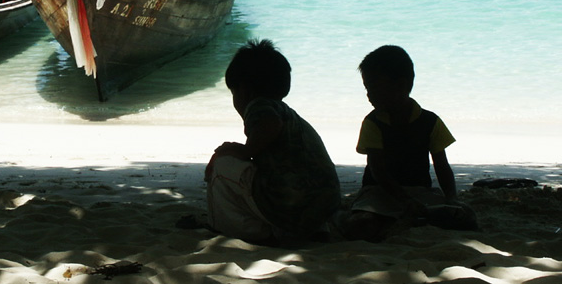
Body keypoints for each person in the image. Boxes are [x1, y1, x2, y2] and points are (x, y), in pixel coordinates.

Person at [204, 39, 341, 245]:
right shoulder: (290, 115)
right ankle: (313, 230)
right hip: (322, 207)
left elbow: (270, 123)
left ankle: (240, 230)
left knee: (222, 166)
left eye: (234, 93)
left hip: (287, 205)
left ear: (244, 90)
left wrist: (243, 150)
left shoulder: (258, 105)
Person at [343, 45, 477, 241]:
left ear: (401, 85)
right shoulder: (373, 123)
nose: (368, 94)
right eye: (367, 88)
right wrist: (404, 200)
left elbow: (441, 165)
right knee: (360, 225)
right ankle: (408, 220)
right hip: (379, 192)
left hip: (419, 192)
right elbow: (378, 171)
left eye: (374, 87)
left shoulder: (430, 121)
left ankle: (404, 221)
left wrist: (451, 198)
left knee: (466, 217)